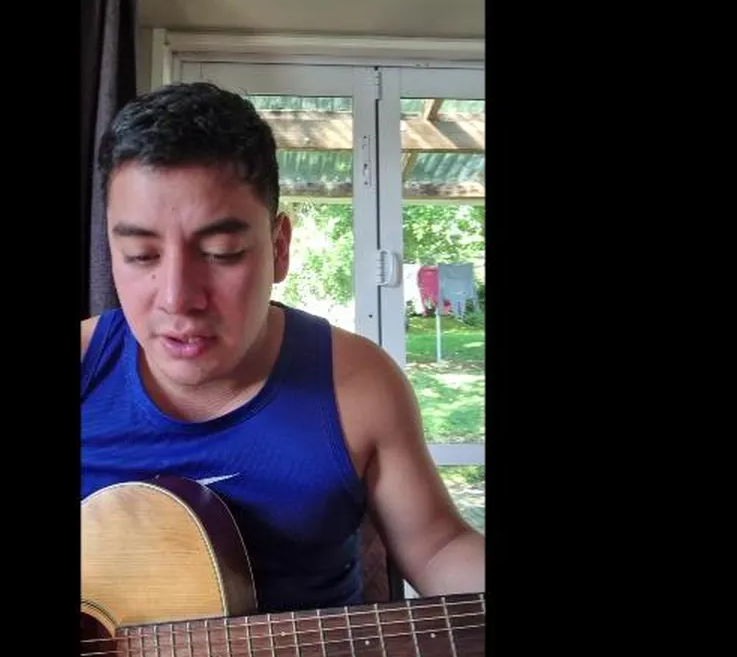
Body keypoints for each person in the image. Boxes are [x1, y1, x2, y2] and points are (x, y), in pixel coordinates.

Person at [80, 82, 484, 613]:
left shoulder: (357, 383)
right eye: (140, 255)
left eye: (221, 252)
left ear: (279, 248)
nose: (177, 298)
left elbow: (437, 549)